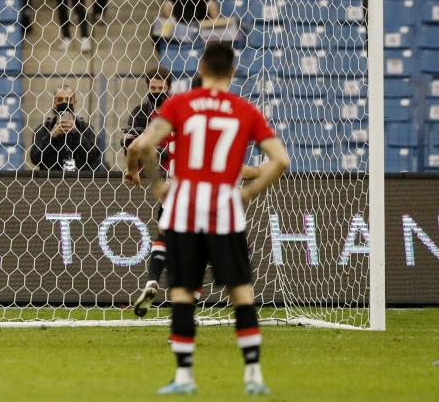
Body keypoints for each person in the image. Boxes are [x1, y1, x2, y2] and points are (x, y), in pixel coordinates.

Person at [125, 41, 289, 396]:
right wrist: (245, 194)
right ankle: (253, 376)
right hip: (225, 212)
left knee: (183, 293)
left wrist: (151, 183)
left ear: (200, 68)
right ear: (233, 72)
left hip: (184, 211)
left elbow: (140, 146)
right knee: (242, 293)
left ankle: (184, 377)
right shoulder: (245, 110)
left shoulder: (181, 104)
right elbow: (280, 160)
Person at [29, 86, 102, 172]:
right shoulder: (43, 130)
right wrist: (51, 136)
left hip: (79, 182)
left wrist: (76, 132)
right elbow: (35, 159)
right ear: (54, 103)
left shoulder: (85, 128)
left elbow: (93, 157)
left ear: (74, 103)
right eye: (60, 100)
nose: (64, 103)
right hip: (51, 182)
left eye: (69, 100)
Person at [120, 67, 172, 169]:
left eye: (161, 88)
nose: (157, 92)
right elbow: (131, 145)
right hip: (144, 174)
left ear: (169, 88)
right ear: (148, 87)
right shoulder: (139, 112)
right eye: (153, 88)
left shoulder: (176, 111)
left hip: (171, 173)